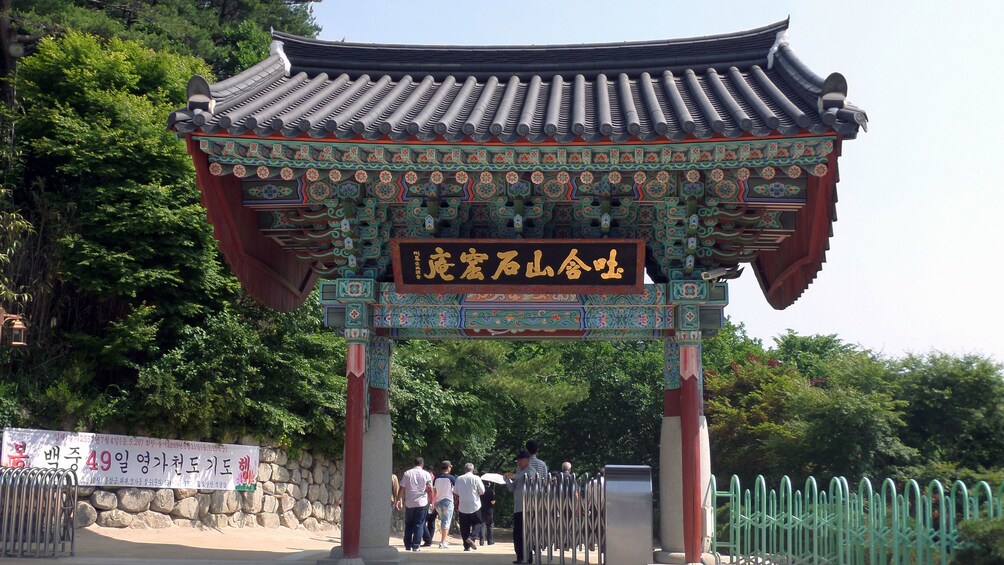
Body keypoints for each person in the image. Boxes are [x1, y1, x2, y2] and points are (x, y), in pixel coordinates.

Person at [505, 449, 542, 564]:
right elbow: (512, 488)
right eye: (518, 460)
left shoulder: (531, 471)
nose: (518, 462)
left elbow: (533, 483)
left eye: (520, 460)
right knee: (517, 533)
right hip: (518, 507)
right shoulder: (519, 472)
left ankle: (527, 556)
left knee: (525, 533)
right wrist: (507, 480)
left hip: (527, 508)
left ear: (527, 460)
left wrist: (515, 476)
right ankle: (520, 556)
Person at [396, 457, 433, 552]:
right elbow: (430, 488)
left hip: (409, 503)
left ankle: (407, 545)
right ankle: (416, 545)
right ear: (422, 464)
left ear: (414, 463)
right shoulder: (426, 474)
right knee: (419, 524)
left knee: (408, 524)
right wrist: (431, 501)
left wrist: (398, 499)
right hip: (422, 503)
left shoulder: (407, 473)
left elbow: (401, 487)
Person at [455, 462, 485, 551]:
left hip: (463, 505)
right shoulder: (476, 478)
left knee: (464, 526)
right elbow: (482, 491)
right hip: (475, 505)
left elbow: (455, 491)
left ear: (464, 469)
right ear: (473, 469)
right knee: (478, 523)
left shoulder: (459, 478)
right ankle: (471, 538)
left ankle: (466, 546)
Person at [432, 460, 458, 549]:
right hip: (447, 501)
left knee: (443, 520)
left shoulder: (436, 478)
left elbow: (434, 491)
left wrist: (433, 502)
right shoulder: (452, 478)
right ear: (448, 467)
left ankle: (444, 540)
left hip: (438, 502)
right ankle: (442, 542)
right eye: (450, 467)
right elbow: (455, 490)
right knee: (446, 522)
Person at [478, 481, 496, 546]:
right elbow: (493, 502)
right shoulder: (491, 491)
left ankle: (481, 541)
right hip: (489, 510)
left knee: (482, 525)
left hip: (481, 509)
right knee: (489, 525)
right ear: (489, 484)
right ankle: (490, 541)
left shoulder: (480, 491)